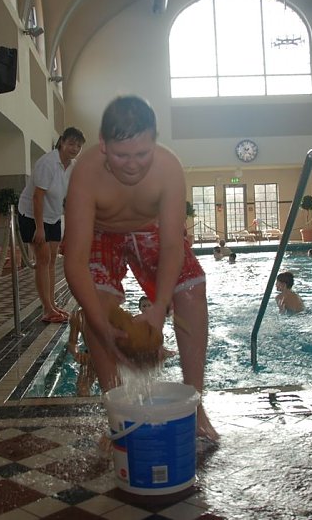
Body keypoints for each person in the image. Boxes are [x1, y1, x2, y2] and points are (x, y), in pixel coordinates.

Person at [62, 95, 218, 441]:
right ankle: (117, 413)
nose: (132, 165)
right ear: (103, 145)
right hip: (102, 233)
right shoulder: (85, 173)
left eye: (142, 154)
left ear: (154, 142)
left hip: (152, 231)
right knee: (95, 307)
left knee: (192, 290)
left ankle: (195, 405)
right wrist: (101, 325)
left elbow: (172, 244)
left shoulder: (169, 168)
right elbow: (74, 261)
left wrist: (160, 307)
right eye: (121, 155)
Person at [18, 127, 85, 323]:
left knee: (52, 259)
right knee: (43, 259)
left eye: (79, 146)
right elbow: (37, 198)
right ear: (62, 142)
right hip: (32, 215)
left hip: (53, 216)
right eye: (71, 143)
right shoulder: (47, 163)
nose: (75, 148)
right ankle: (47, 309)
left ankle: (52, 304)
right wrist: (39, 228)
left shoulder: (72, 166)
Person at [67, 309, 97, 396]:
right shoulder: (77, 316)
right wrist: (77, 354)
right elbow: (72, 342)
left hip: (112, 356)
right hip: (91, 357)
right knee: (82, 389)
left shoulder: (113, 314)